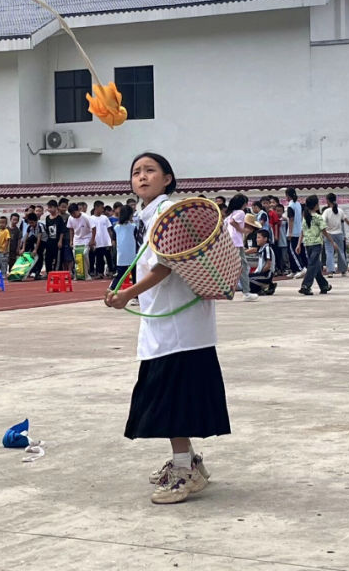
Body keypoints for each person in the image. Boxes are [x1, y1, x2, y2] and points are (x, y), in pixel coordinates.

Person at [104, 152, 230, 505]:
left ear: (168, 179)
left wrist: (126, 292)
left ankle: (183, 472)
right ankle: (190, 464)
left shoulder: (166, 214)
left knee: (172, 401)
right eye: (136, 172)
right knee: (176, 397)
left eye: (150, 171)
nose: (141, 176)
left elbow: (165, 266)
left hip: (178, 328)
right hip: (173, 324)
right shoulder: (150, 216)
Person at [299, 195, 335, 296]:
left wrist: (299, 244)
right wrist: (333, 242)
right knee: (312, 265)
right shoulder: (318, 217)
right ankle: (306, 285)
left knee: (315, 265)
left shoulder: (305, 217)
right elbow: (324, 231)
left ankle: (324, 285)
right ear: (315, 205)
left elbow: (302, 232)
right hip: (316, 244)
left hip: (307, 244)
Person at [224, 194, 256, 300]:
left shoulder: (230, 214)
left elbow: (226, 224)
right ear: (244, 204)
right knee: (243, 266)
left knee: (232, 267)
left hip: (229, 242)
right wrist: (242, 230)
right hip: (236, 242)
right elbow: (233, 223)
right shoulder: (241, 212)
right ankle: (246, 292)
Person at [322, 193, 349, 277]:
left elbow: (322, 223)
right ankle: (343, 270)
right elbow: (347, 221)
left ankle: (331, 271)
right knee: (341, 252)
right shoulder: (340, 211)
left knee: (329, 253)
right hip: (339, 234)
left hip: (329, 235)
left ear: (328, 201)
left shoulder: (326, 211)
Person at [37, 200, 67, 278]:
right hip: (49, 241)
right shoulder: (47, 218)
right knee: (48, 258)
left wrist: (60, 241)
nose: (49, 209)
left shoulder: (59, 218)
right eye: (48, 207)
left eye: (51, 207)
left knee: (57, 258)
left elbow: (62, 231)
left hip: (57, 241)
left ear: (56, 208)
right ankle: (49, 273)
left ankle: (57, 273)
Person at [112, 204, 139, 287]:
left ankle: (112, 291)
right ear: (130, 215)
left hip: (121, 255)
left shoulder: (116, 227)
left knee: (119, 276)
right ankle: (136, 295)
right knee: (135, 277)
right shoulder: (133, 227)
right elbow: (138, 240)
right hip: (133, 255)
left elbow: (114, 242)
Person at [66, 203, 94, 280]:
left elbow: (93, 228)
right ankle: (78, 274)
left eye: (74, 213)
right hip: (77, 238)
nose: (73, 215)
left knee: (84, 254)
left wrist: (93, 240)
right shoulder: (71, 218)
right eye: (71, 214)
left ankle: (86, 274)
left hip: (87, 238)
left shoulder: (86, 217)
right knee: (76, 256)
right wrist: (71, 240)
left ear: (78, 210)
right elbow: (71, 229)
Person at [248, 229, 277, 296]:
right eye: (256, 238)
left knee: (248, 279)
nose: (257, 239)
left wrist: (259, 273)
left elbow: (268, 265)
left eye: (259, 238)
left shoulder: (267, 248)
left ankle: (267, 286)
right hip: (262, 273)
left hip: (266, 275)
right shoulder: (261, 248)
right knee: (248, 285)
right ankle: (264, 288)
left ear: (265, 239)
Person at [285, 187, 306, 278]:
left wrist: (290, 232)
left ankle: (301, 268)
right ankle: (294, 270)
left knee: (293, 251)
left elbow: (291, 219)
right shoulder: (298, 204)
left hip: (293, 232)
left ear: (288, 196)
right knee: (297, 251)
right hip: (299, 230)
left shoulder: (290, 206)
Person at [90, 202, 114, 279]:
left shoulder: (105, 218)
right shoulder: (91, 218)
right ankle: (99, 272)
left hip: (106, 241)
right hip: (97, 242)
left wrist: (111, 240)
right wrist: (92, 240)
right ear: (96, 208)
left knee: (108, 257)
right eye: (101, 208)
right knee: (99, 258)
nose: (103, 209)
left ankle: (111, 271)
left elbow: (109, 229)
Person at [272, 203, 289, 275]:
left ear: (283, 212)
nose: (278, 212)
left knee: (285, 256)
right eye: (277, 211)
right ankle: (280, 269)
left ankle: (286, 268)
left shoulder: (285, 220)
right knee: (278, 257)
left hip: (284, 241)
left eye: (280, 211)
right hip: (277, 242)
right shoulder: (274, 220)